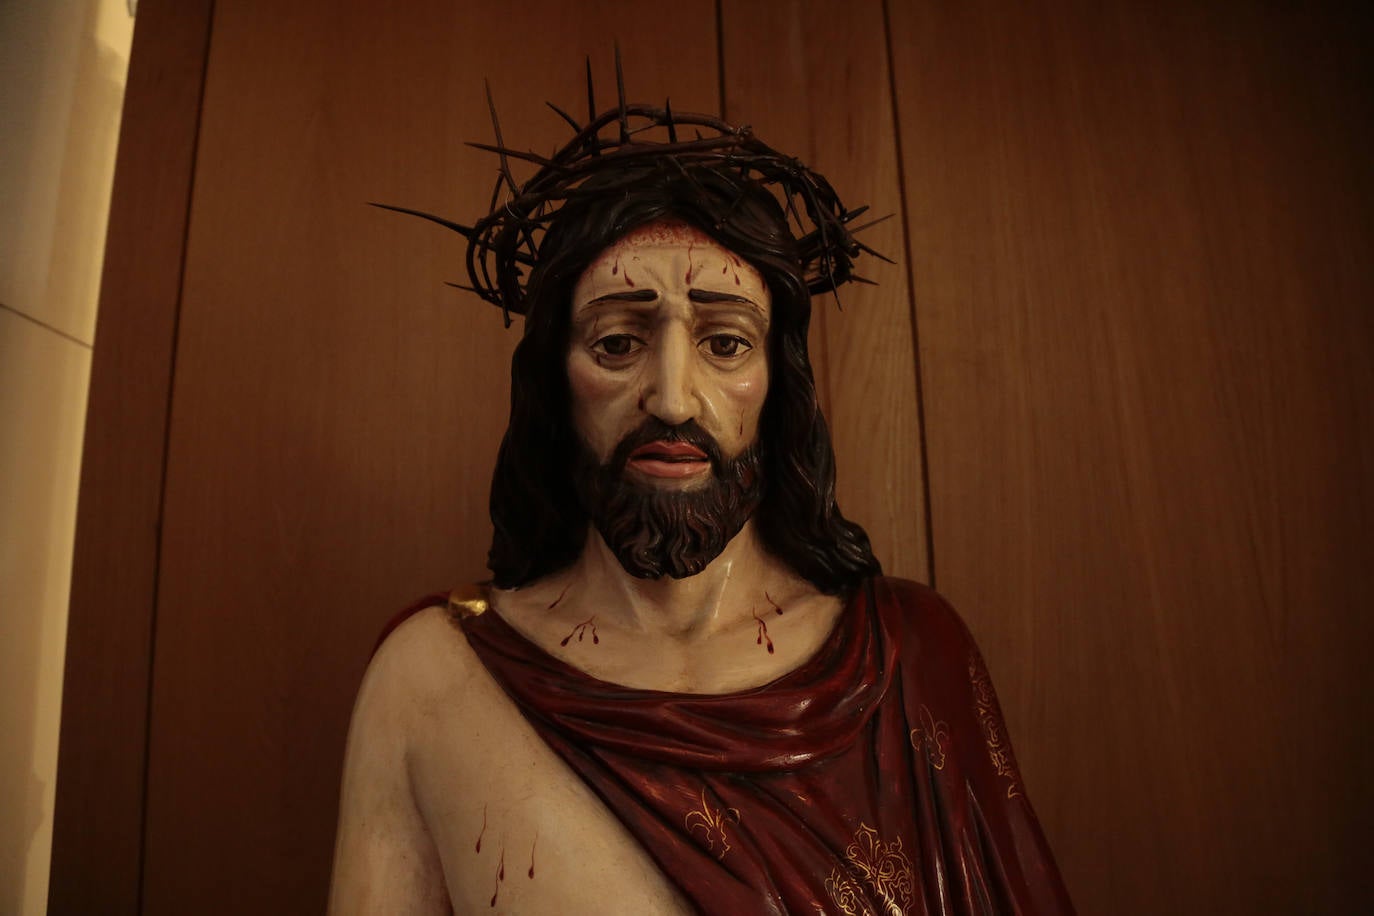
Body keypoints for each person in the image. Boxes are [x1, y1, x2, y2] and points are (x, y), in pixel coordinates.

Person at [329, 93, 1074, 915]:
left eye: (726, 343)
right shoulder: (436, 679)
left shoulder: (913, 659)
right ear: (554, 384)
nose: (674, 400)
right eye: (617, 343)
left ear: (777, 387)